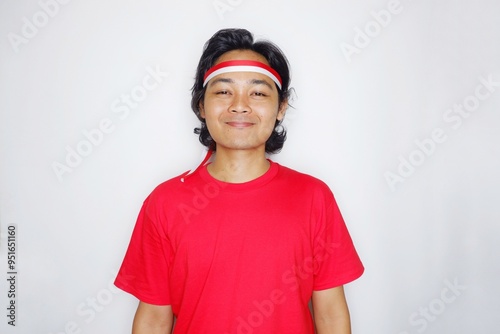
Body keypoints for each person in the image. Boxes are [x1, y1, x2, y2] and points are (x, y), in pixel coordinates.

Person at [115, 28, 364, 334]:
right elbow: (153, 319)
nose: (240, 105)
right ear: (201, 106)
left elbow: (330, 314)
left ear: (281, 108)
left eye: (258, 93)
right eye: (223, 92)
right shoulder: (165, 202)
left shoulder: (314, 197)